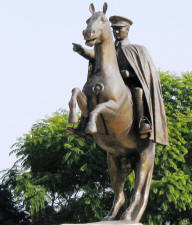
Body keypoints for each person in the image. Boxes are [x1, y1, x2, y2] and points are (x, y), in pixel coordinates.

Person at [72, 15, 168, 145]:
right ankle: (84, 122)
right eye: (114, 29)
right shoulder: (110, 48)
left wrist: (129, 73)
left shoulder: (136, 50)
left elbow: (143, 72)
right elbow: (95, 56)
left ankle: (142, 122)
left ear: (127, 30)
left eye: (120, 29)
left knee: (138, 91)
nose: (116, 32)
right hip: (110, 84)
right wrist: (82, 51)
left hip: (129, 84)